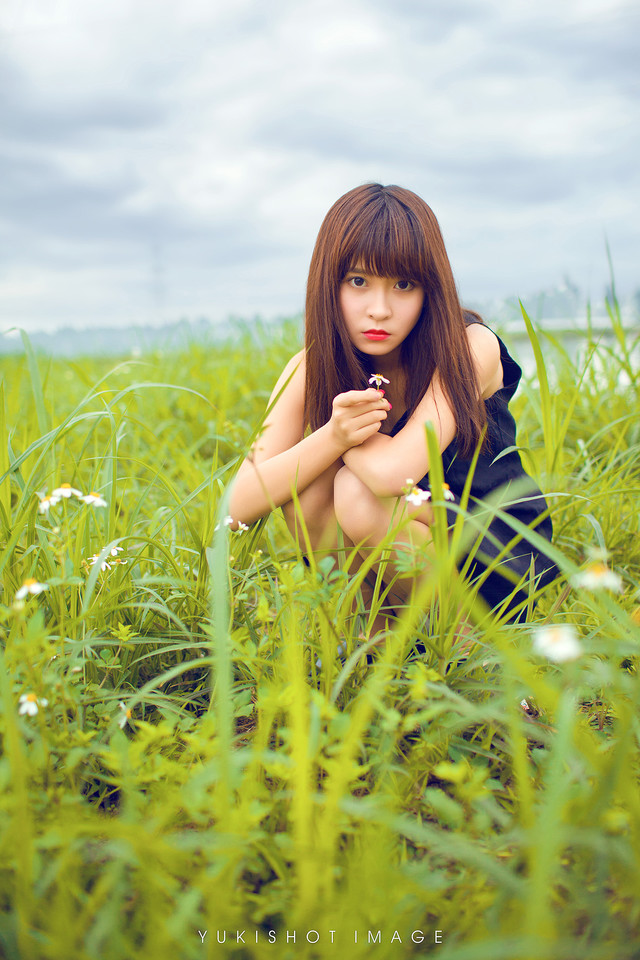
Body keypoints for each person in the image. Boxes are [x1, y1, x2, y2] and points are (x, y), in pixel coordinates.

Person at [228, 182, 557, 648]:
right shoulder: (312, 365)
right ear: (330, 283)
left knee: (354, 490)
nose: (379, 310)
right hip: (403, 549)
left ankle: (475, 652)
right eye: (358, 281)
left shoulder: (470, 346)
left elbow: (389, 474)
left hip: (490, 549)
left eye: (403, 285)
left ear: (430, 289)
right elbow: (238, 504)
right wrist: (332, 438)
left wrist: (343, 442)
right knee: (310, 486)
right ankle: (377, 644)